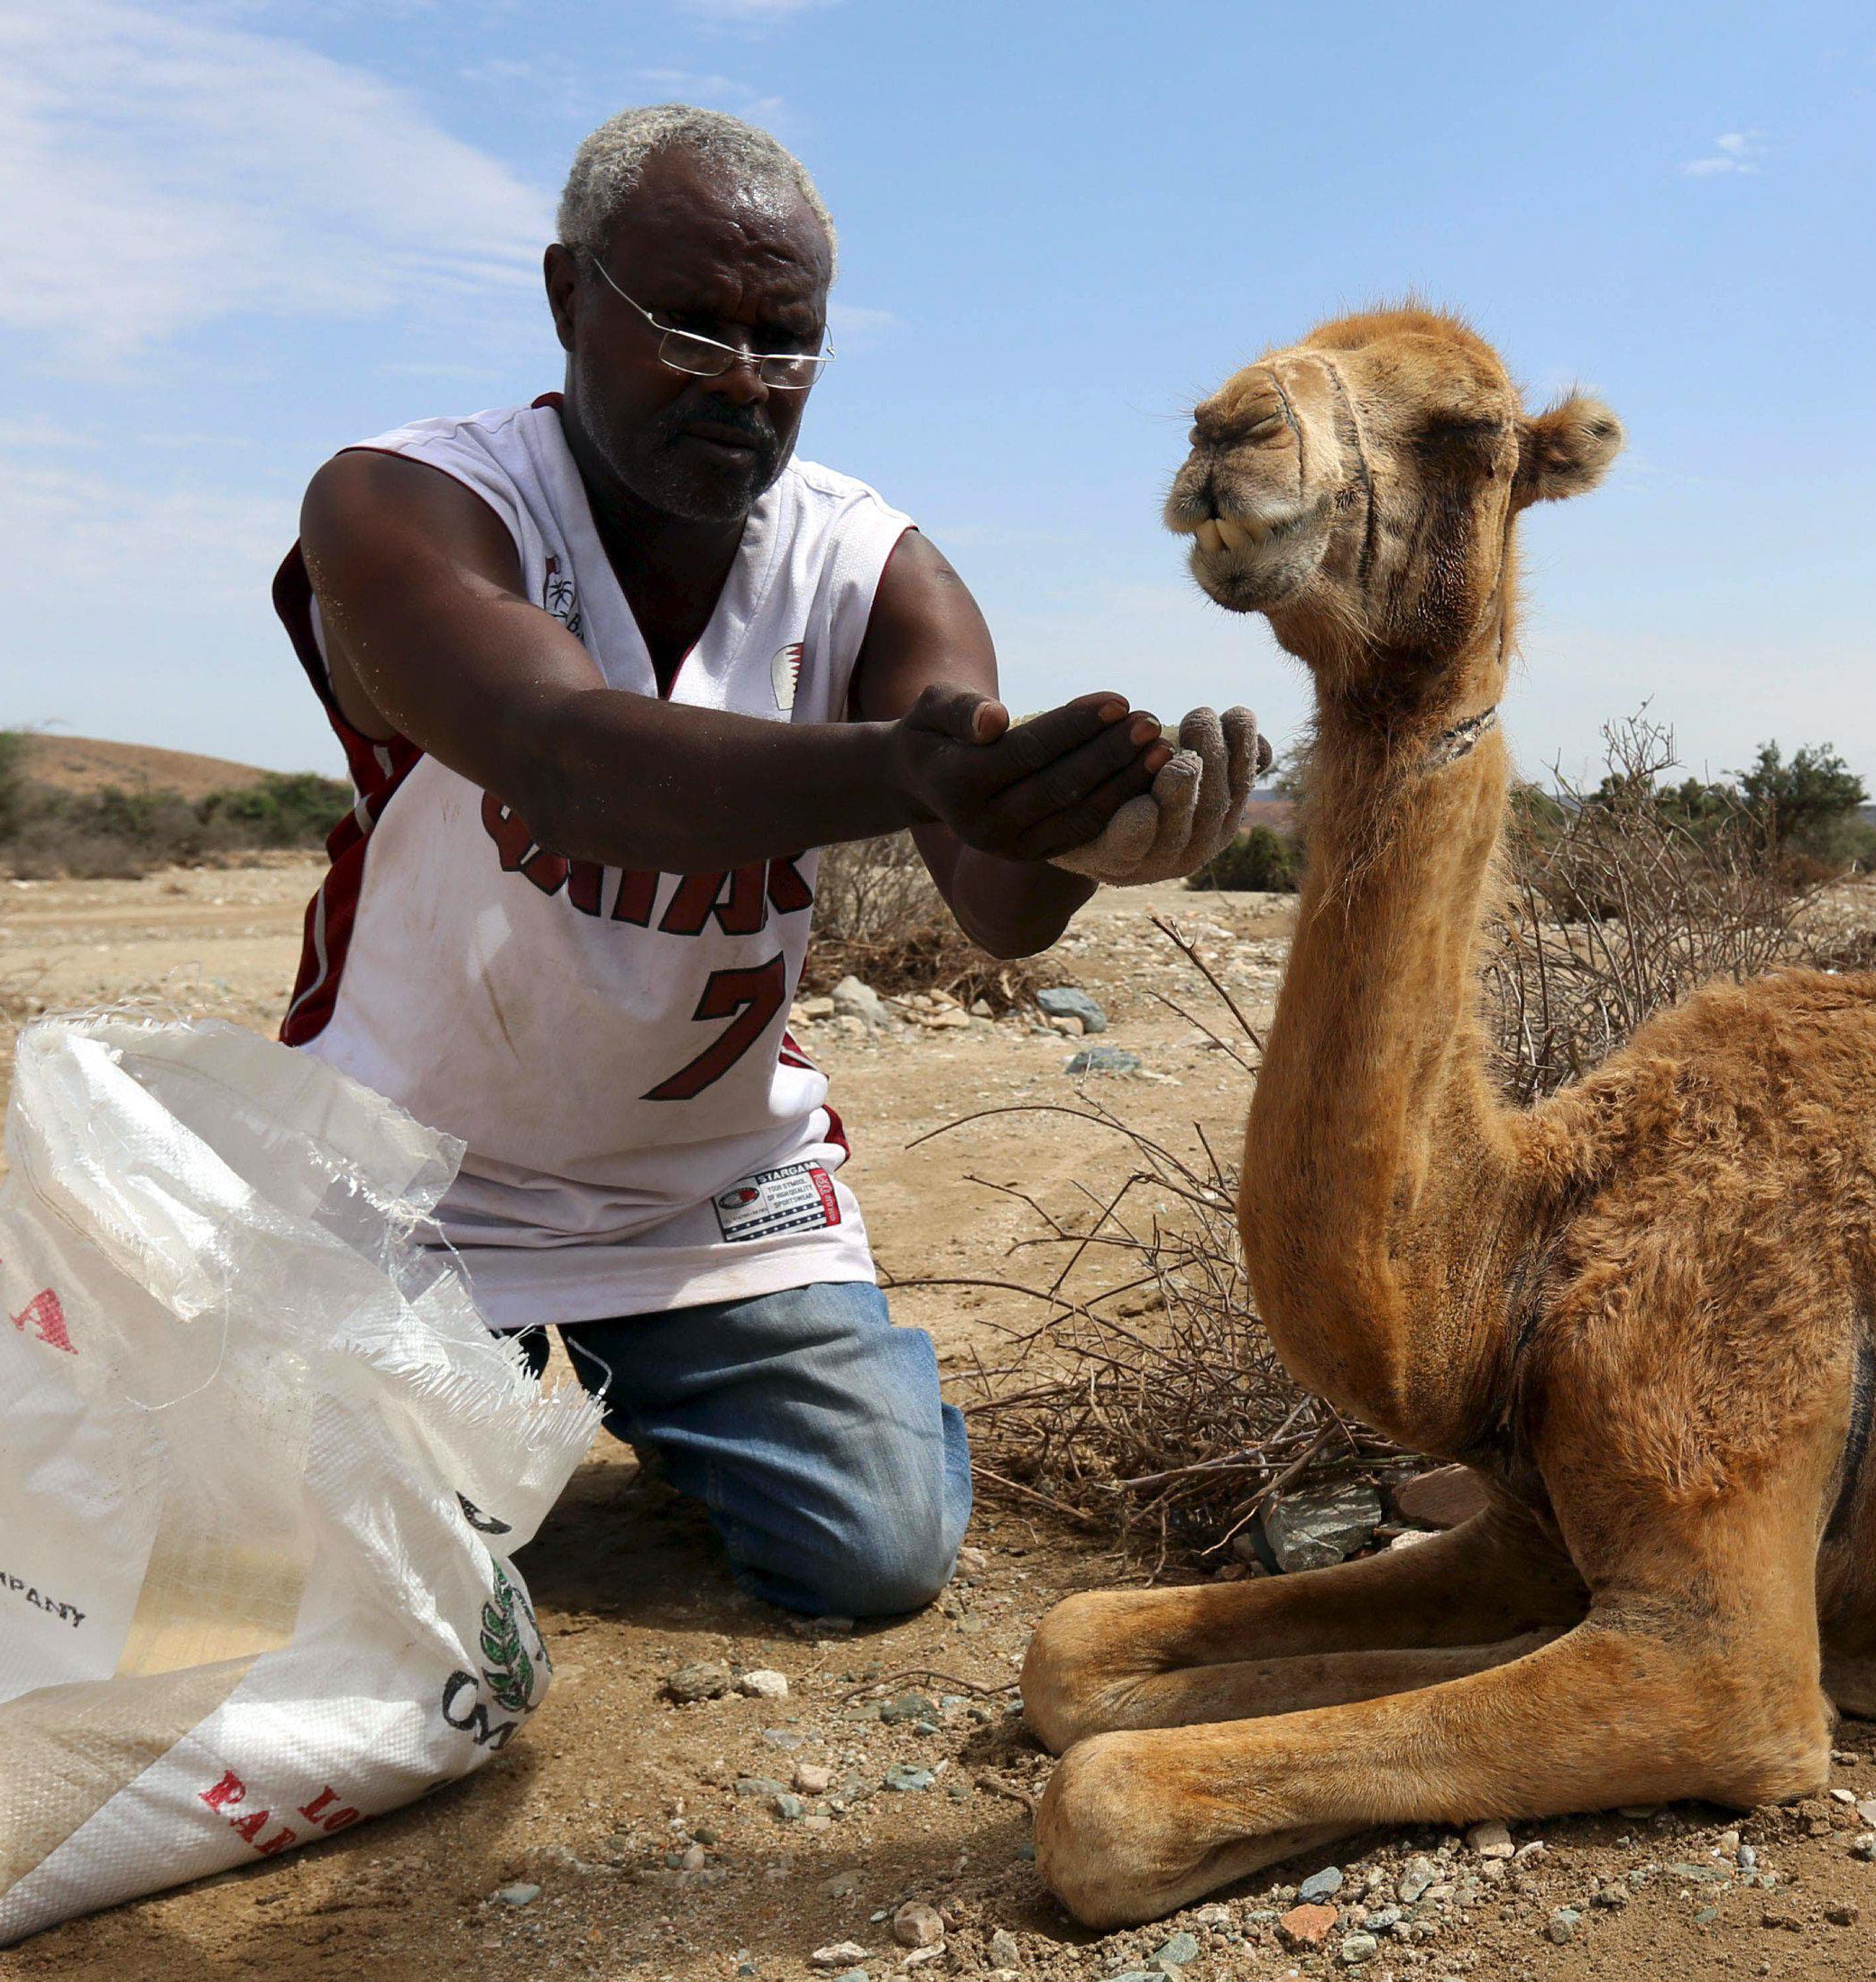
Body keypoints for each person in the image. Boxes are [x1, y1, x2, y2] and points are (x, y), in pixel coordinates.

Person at [271, 106, 1261, 1620]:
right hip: (417, 1180)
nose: (743, 382)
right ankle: (483, 1420)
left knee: (877, 1553)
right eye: (691, 325)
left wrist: (1080, 840)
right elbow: (566, 759)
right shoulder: (408, 504)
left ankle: (668, 1391)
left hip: (703, 1192)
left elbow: (993, 900)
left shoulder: (868, 563)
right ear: (566, 296)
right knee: (323, 1576)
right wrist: (909, 768)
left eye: (786, 341)